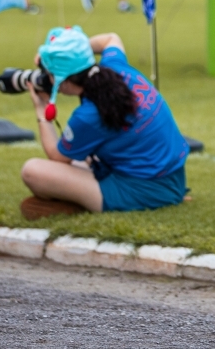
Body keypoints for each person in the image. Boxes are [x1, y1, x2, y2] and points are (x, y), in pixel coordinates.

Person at [19, 27, 188, 218]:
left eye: (50, 75)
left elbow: (56, 156)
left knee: (32, 171)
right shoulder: (116, 67)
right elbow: (111, 38)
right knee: (81, 156)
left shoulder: (87, 115)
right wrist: (77, 50)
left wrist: (41, 109)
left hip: (144, 189)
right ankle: (83, 196)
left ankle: (83, 202)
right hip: (174, 178)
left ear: (63, 83)